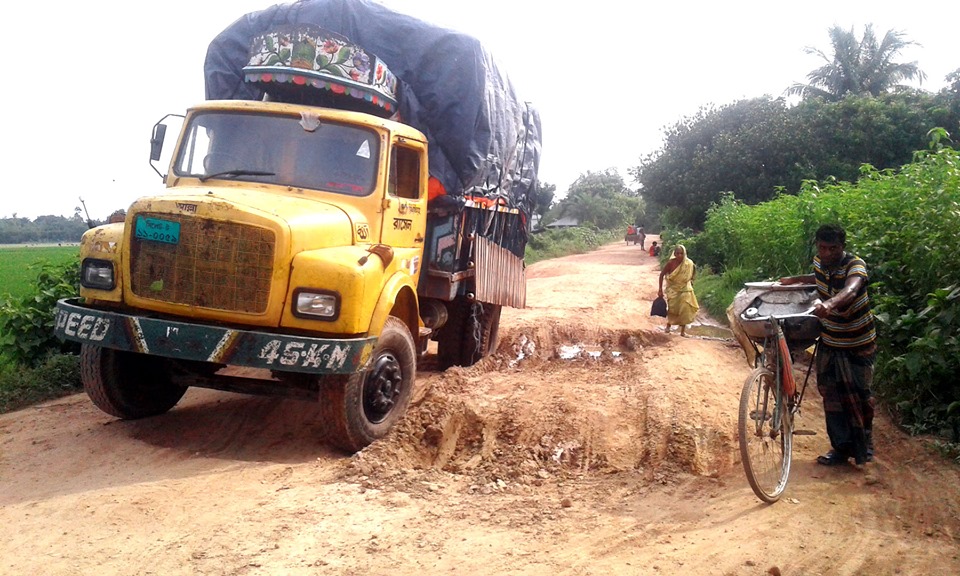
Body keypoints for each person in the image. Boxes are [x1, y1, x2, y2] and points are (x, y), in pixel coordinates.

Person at [780, 224, 876, 469]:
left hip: (858, 342)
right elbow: (818, 277)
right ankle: (840, 448)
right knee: (831, 396)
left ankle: (864, 446)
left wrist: (830, 304)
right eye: (822, 248)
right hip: (831, 341)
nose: (826, 253)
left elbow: (851, 289)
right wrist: (795, 280)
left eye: (832, 248)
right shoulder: (820, 263)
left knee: (860, 395)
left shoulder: (855, 265)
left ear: (842, 247)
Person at [658, 244, 699, 336]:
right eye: (677, 253)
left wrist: (691, 281)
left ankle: (682, 331)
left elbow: (693, 273)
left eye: (681, 253)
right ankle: (669, 325)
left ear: (684, 253)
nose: (679, 255)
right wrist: (660, 289)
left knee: (685, 309)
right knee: (673, 309)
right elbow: (661, 275)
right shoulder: (670, 263)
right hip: (673, 290)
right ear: (675, 254)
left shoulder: (689, 263)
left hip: (685, 289)